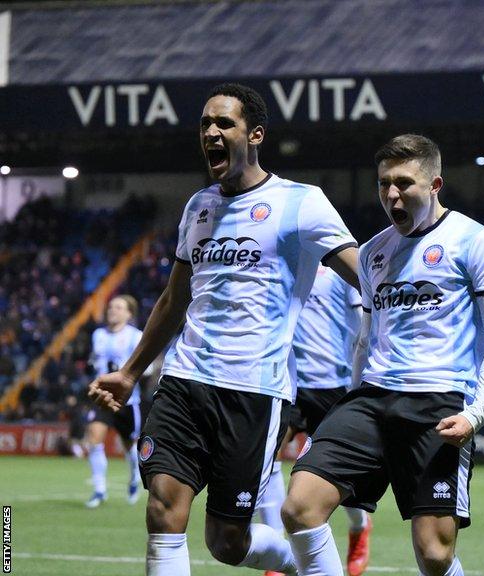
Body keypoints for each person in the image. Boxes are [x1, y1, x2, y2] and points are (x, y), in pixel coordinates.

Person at [88, 83, 360, 576]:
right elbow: (175, 299)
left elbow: (364, 274)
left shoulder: (303, 203)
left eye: (224, 124)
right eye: (205, 125)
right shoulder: (198, 207)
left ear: (254, 134)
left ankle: (296, 565)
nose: (211, 133)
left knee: (226, 542)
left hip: (253, 392)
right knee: (163, 510)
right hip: (184, 380)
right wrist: (130, 373)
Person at [280, 134, 484, 576]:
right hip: (371, 398)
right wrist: (349, 400)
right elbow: (365, 340)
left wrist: (477, 412)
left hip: (440, 403)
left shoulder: (477, 242)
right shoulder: (372, 252)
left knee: (434, 554)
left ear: (435, 184)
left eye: (404, 183)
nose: (391, 194)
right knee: (299, 507)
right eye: (384, 183)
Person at [256, 265, 373, 576]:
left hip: (334, 385)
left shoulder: (342, 270)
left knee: (338, 474)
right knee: (266, 458)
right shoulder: (284, 269)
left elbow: (366, 324)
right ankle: (278, 547)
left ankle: (360, 526)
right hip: (291, 384)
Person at [84, 295, 145, 508]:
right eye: (110, 307)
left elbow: (144, 367)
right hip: (102, 398)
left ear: (129, 313)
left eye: (118, 308)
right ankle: (99, 491)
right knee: (94, 438)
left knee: (130, 447)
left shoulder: (137, 337)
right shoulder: (98, 335)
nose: (112, 311)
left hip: (128, 401)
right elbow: (95, 361)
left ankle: (134, 478)